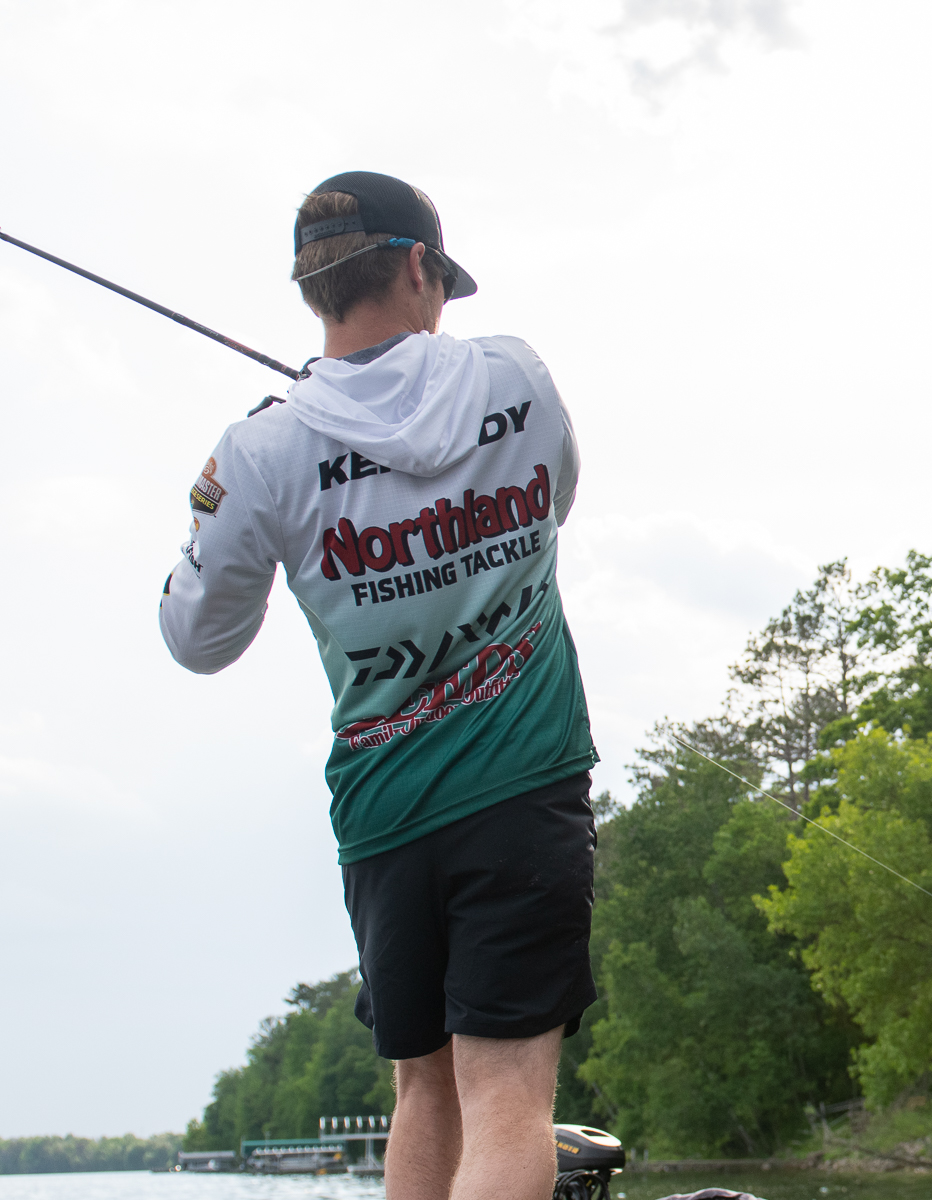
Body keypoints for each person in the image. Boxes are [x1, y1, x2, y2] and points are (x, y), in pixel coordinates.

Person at [160, 171, 598, 1200]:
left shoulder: (262, 450)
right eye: (443, 278)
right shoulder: (516, 378)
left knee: (422, 1089)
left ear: (315, 292)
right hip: (524, 792)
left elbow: (197, 638)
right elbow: (557, 500)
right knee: (507, 1095)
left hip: (384, 817)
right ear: (416, 267)